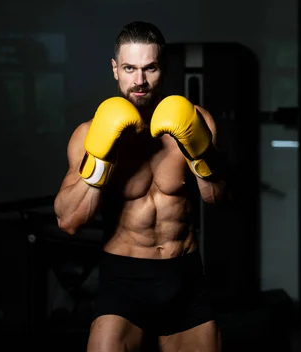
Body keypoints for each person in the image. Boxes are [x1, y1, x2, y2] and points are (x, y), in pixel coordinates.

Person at [54, 21, 228, 352]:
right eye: (130, 68)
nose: (140, 81)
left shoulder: (197, 120)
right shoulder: (89, 133)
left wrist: (198, 151)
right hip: (123, 280)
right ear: (115, 69)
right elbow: (69, 221)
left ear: (164, 68)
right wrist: (101, 159)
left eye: (150, 68)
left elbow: (218, 196)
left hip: (184, 276)